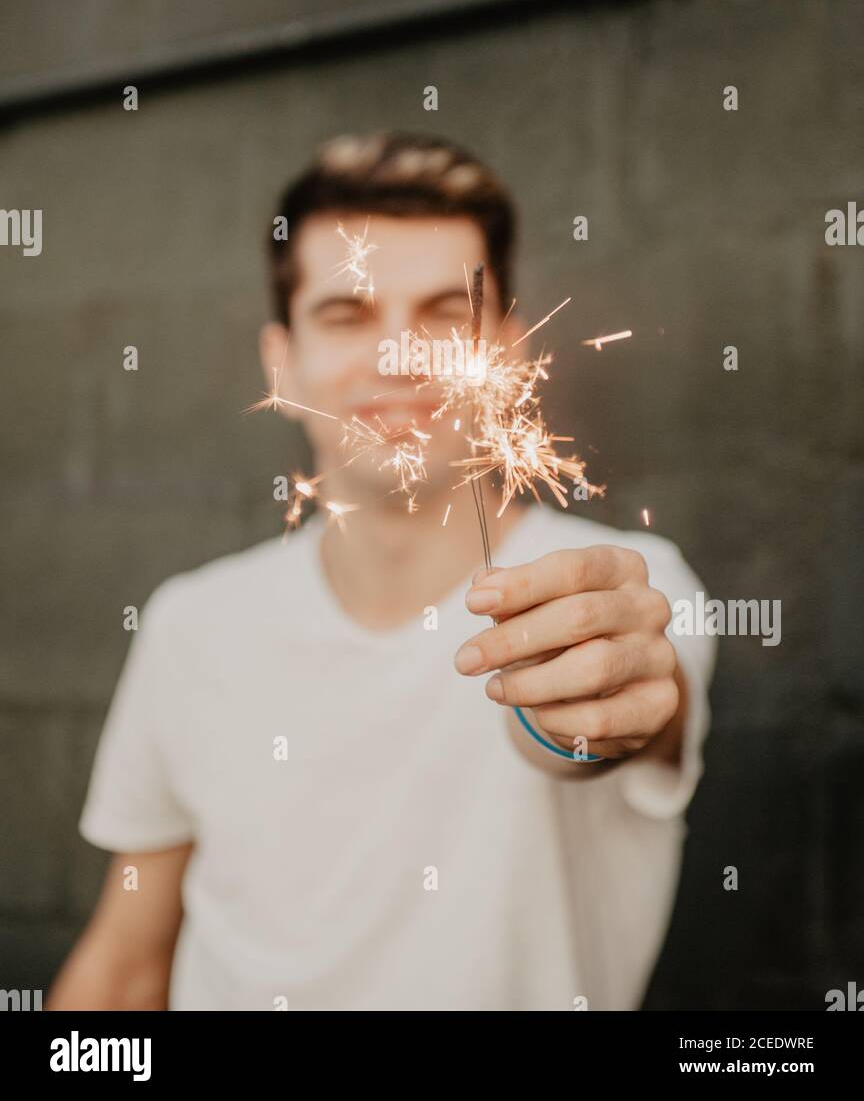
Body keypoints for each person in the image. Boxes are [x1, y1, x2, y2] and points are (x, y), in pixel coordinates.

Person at [47, 132, 716, 1012]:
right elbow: (127, 961)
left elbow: (591, 724)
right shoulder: (191, 624)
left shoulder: (626, 589)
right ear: (281, 362)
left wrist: (583, 709)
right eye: (347, 315)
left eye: (445, 314)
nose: (400, 357)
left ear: (509, 352)